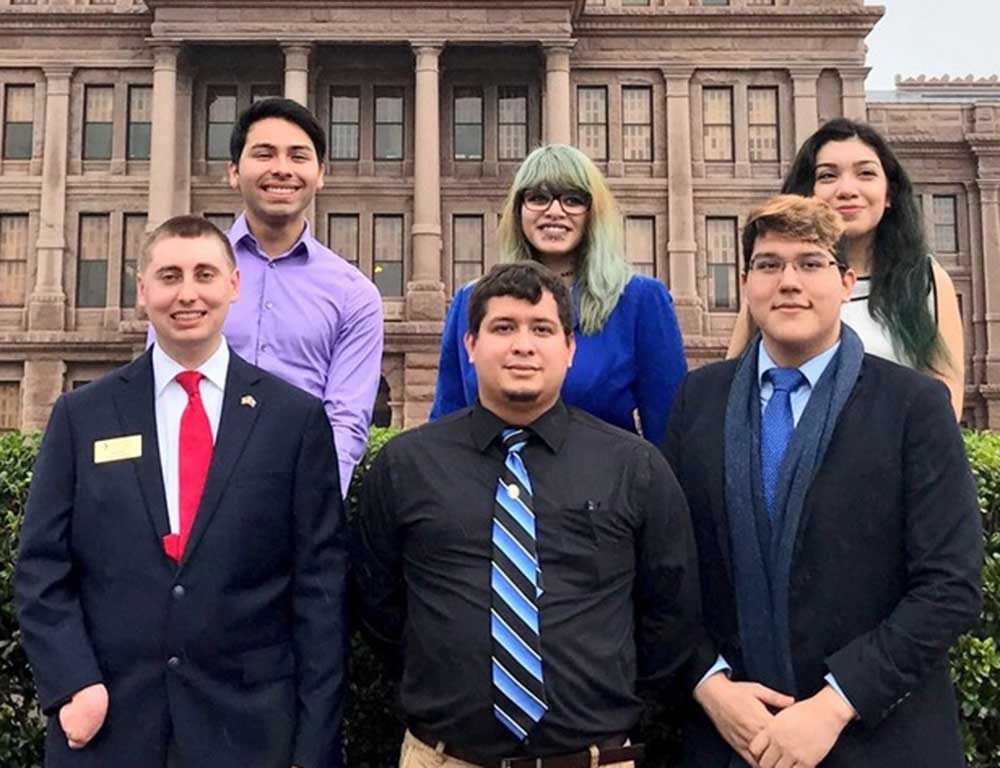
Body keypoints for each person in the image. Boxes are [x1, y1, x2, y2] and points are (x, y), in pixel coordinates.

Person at [16, 216, 348, 768]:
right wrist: (71, 682)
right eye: (169, 276)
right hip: (108, 727)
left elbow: (320, 591)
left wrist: (315, 747)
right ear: (143, 291)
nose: (187, 293)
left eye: (205, 274)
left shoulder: (294, 420)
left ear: (234, 286)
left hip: (251, 732)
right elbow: (41, 568)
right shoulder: (82, 416)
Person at [664, 195, 982, 768]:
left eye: (810, 263)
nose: (789, 282)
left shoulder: (914, 407)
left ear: (846, 282)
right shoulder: (697, 403)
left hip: (876, 738)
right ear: (746, 283)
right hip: (730, 739)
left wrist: (834, 705)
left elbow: (950, 585)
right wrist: (710, 687)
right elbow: (667, 572)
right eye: (769, 264)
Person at [354, 261, 708, 767]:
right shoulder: (406, 466)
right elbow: (379, 606)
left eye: (541, 329)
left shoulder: (633, 467)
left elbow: (670, 613)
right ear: (470, 345)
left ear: (569, 349)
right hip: (445, 758)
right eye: (503, 327)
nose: (523, 345)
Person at [148, 97, 384, 493]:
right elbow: (161, 388)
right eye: (264, 154)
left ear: (320, 174)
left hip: (296, 495)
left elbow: (346, 422)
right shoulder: (186, 280)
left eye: (298, 156)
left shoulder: (354, 294)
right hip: (190, 490)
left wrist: (313, 506)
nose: (282, 169)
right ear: (234, 171)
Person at [430, 143, 686, 446]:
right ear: (518, 209)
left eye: (572, 200)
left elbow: (671, 432)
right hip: (489, 488)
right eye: (538, 198)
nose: (554, 211)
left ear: (594, 212)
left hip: (601, 486)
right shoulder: (471, 300)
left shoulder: (640, 300)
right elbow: (447, 426)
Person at [726, 118, 965, 420]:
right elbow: (733, 384)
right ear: (806, 194)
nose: (847, 190)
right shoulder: (775, 282)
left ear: (889, 193)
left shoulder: (925, 280)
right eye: (828, 176)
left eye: (865, 173)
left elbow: (945, 402)